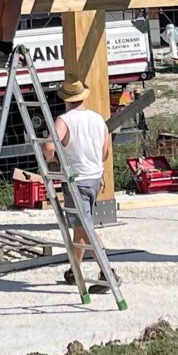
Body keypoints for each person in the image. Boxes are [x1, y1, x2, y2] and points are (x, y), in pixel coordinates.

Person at [47, 80, 110, 285]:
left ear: (65, 99)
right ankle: (75, 270)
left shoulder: (64, 120)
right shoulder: (98, 119)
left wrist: (52, 161)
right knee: (80, 227)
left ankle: (108, 272)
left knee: (84, 228)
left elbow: (49, 146)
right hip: (95, 179)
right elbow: (105, 153)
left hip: (77, 181)